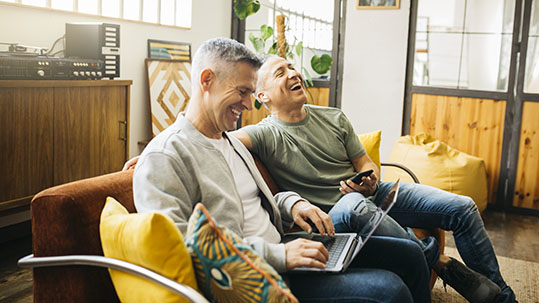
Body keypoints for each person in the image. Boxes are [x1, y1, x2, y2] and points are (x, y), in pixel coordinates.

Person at [133, 37, 431, 303]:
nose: (249, 104)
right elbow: (183, 248)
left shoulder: (229, 141)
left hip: (288, 247)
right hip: (260, 274)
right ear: (207, 79)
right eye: (243, 91)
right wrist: (280, 256)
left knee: (411, 255)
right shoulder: (165, 157)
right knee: (389, 290)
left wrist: (292, 203)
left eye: (251, 93)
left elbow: (251, 201)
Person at [232, 54, 516, 303]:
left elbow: (363, 162)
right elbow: (219, 137)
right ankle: (435, 259)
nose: (294, 73)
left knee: (463, 207)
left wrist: (371, 178)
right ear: (263, 97)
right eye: (280, 73)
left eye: (291, 67)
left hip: (374, 193)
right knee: (355, 203)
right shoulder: (263, 134)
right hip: (338, 213)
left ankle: (501, 298)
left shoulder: (334, 117)